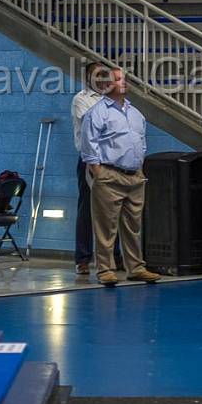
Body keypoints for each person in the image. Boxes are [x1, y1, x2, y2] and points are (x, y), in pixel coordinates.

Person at [80, 67, 161, 286]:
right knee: (106, 226)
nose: (123, 82)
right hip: (109, 174)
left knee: (133, 226)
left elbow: (141, 141)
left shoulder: (135, 113)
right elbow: (89, 146)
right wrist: (98, 172)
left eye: (124, 78)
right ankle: (105, 269)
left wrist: (139, 167)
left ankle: (135, 267)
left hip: (134, 176)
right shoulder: (97, 112)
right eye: (118, 79)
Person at [70, 61, 108, 276]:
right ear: (88, 78)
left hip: (111, 159)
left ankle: (114, 256)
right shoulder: (81, 99)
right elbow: (94, 126)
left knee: (113, 209)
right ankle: (83, 258)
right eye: (98, 75)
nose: (102, 79)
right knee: (87, 209)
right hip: (89, 158)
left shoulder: (112, 99)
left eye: (105, 75)